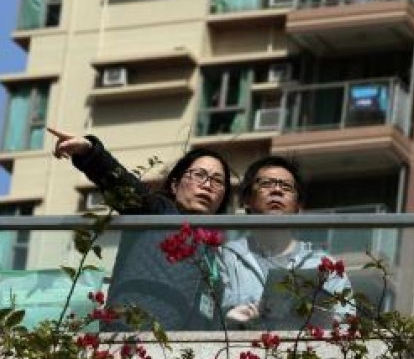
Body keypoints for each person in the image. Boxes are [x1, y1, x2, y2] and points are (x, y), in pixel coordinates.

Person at [49, 127, 233, 330]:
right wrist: (90, 153)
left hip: (188, 351)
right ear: (174, 185)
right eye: (200, 175)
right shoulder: (156, 213)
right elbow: (125, 186)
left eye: (217, 181)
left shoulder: (215, 247)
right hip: (133, 338)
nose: (207, 185)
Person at [220, 155, 355, 330]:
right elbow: (207, 319)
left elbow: (347, 327)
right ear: (246, 200)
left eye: (286, 186)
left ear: (299, 206)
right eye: (266, 184)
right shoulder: (226, 258)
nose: (277, 190)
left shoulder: (326, 267)